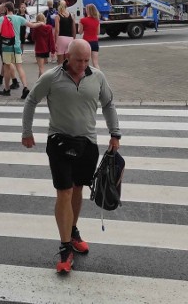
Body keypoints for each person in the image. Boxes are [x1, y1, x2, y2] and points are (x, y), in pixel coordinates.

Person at [21, 39, 122, 274]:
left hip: (87, 144)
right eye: (79, 60)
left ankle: (73, 230)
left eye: (87, 60)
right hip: (59, 142)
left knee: (78, 189)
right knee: (64, 191)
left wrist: (115, 133)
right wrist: (27, 132)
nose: (83, 65)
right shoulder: (51, 77)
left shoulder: (97, 77)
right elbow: (31, 101)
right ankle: (65, 247)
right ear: (68, 55)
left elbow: (108, 104)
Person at [0, 2, 43, 98]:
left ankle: (7, 89)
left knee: (7, 67)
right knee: (19, 67)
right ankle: (25, 87)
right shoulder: (19, 18)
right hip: (17, 46)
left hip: (6, 46)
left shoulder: (2, 18)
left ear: (6, 9)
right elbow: (32, 25)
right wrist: (41, 23)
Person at [31, 12, 56, 77]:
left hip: (39, 48)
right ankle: (39, 82)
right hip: (46, 49)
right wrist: (53, 50)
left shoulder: (36, 28)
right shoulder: (49, 28)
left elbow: (33, 38)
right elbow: (51, 39)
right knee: (42, 68)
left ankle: (41, 83)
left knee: (41, 68)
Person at [54, 0, 76, 65]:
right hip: (70, 39)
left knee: (60, 63)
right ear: (66, 6)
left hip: (61, 39)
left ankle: (61, 74)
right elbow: (74, 29)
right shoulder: (71, 15)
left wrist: (55, 42)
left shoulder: (57, 16)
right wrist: (73, 39)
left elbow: (57, 30)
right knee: (67, 62)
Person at [78, 4, 101, 69]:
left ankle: (86, 76)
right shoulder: (97, 21)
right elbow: (98, 32)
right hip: (95, 42)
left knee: (85, 63)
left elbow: (80, 32)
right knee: (95, 63)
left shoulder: (83, 20)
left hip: (86, 42)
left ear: (87, 11)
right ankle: (98, 76)